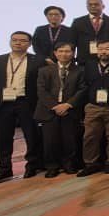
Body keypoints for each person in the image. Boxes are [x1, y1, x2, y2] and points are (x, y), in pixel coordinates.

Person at [0, 31, 43, 182]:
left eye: (22, 41)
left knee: (31, 136)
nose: (18, 43)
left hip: (26, 103)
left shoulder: (38, 61)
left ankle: (32, 166)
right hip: (3, 104)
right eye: (15, 40)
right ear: (10, 42)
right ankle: (4, 169)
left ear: (29, 44)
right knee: (3, 138)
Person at [35, 42, 85, 178]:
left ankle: (69, 164)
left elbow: (82, 89)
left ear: (73, 53)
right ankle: (52, 166)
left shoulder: (80, 70)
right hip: (49, 111)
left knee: (70, 140)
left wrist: (67, 105)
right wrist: (55, 106)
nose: (64, 54)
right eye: (61, 51)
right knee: (50, 141)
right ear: (55, 53)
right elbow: (41, 91)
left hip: (70, 110)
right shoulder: (44, 70)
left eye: (67, 51)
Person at [78, 39, 109, 176]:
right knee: (90, 136)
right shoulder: (89, 65)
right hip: (93, 106)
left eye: (107, 49)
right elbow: (84, 86)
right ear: (97, 51)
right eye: (101, 49)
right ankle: (90, 164)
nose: (104, 51)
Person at [72, 0, 109, 65]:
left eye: (96, 4)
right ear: (87, 7)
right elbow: (72, 42)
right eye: (90, 5)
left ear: (103, 6)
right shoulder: (78, 22)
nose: (93, 6)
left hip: (107, 59)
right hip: (84, 60)